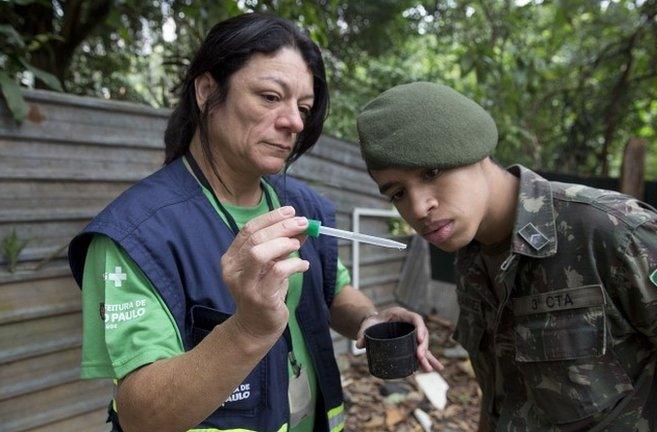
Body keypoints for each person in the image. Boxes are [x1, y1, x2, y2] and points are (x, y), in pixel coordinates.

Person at [68, 14, 442, 432]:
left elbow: (332, 291)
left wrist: (368, 319)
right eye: (269, 97)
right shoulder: (137, 234)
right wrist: (247, 328)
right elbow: (142, 414)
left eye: (303, 108)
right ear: (208, 91)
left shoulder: (302, 205)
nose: (294, 122)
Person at [355, 81, 657, 431]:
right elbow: (501, 399)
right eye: (397, 193)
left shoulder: (613, 231)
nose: (417, 207)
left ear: (476, 149)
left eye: (430, 172)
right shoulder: (472, 256)